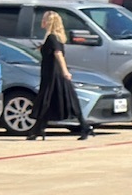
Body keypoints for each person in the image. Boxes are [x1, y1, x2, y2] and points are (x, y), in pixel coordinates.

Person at [32, 11, 90, 141]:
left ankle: (85, 127)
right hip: (50, 73)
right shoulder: (54, 38)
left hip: (54, 74)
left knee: (56, 100)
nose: (42, 21)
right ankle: (38, 130)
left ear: (49, 22)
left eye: (44, 19)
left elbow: (58, 54)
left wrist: (65, 72)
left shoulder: (52, 37)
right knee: (47, 100)